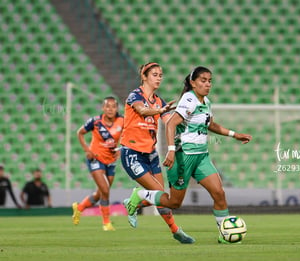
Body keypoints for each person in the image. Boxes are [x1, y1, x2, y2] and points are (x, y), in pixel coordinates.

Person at [124, 66, 252, 244]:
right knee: (174, 203)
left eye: (209, 81)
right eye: (203, 80)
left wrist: (234, 134)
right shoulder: (188, 100)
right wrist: (170, 150)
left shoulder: (206, 102)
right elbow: (171, 125)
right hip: (183, 157)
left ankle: (225, 235)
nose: (207, 84)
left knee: (219, 193)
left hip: (201, 156)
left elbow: (210, 124)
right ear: (193, 82)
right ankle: (140, 195)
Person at [120, 62, 194, 244]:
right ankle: (137, 200)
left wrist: (185, 123)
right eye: (154, 74)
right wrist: (159, 111)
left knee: (163, 197)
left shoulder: (159, 101)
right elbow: (142, 110)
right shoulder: (135, 96)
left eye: (161, 75)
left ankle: (173, 230)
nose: (159, 77)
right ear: (144, 77)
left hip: (151, 154)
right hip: (132, 153)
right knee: (160, 193)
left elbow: (170, 122)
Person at [72, 96, 124, 231]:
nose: (110, 109)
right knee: (105, 190)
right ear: (103, 108)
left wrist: (121, 149)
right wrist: (87, 150)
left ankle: (80, 207)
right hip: (96, 158)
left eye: (113, 106)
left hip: (111, 160)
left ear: (117, 108)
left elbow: (128, 136)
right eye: (108, 106)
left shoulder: (122, 121)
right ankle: (106, 223)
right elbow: (80, 133)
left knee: (100, 193)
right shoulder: (95, 121)